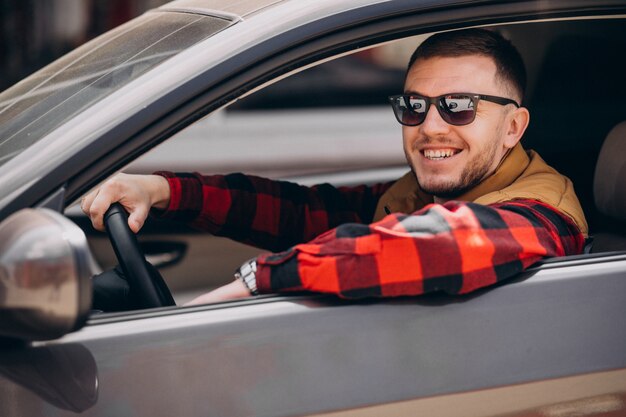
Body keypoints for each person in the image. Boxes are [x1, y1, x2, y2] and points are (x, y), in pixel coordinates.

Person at [82, 29, 587, 307]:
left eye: (459, 106)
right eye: (413, 106)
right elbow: (307, 212)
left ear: (513, 127)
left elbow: (442, 243)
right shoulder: (422, 193)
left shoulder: (542, 214)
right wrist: (167, 191)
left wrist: (255, 281)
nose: (430, 127)